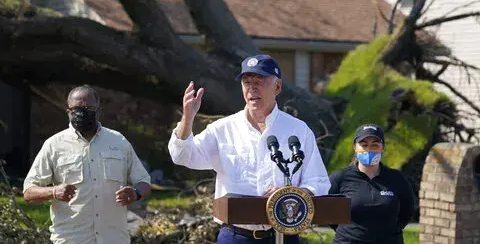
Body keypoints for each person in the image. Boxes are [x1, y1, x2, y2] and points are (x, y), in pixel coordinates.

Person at [168, 54, 331, 244]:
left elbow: (318, 183)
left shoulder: (298, 130)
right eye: (247, 82)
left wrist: (290, 195)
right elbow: (183, 156)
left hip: (284, 234)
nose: (252, 88)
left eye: (259, 81)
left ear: (277, 87)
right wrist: (187, 119)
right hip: (236, 235)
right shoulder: (223, 128)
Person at [23, 85, 152, 244]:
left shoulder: (118, 141)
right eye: (77, 108)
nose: (82, 112)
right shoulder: (54, 145)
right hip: (72, 239)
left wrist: (136, 193)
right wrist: (54, 191)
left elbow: (144, 181)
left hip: (113, 239)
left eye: (88, 108)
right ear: (68, 112)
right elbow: (28, 192)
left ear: (99, 111)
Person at [328, 124, 415, 244]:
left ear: (382, 148)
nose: (369, 149)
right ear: (355, 147)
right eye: (364, 145)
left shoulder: (397, 178)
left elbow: (406, 212)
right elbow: (329, 213)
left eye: (375, 145)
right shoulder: (340, 178)